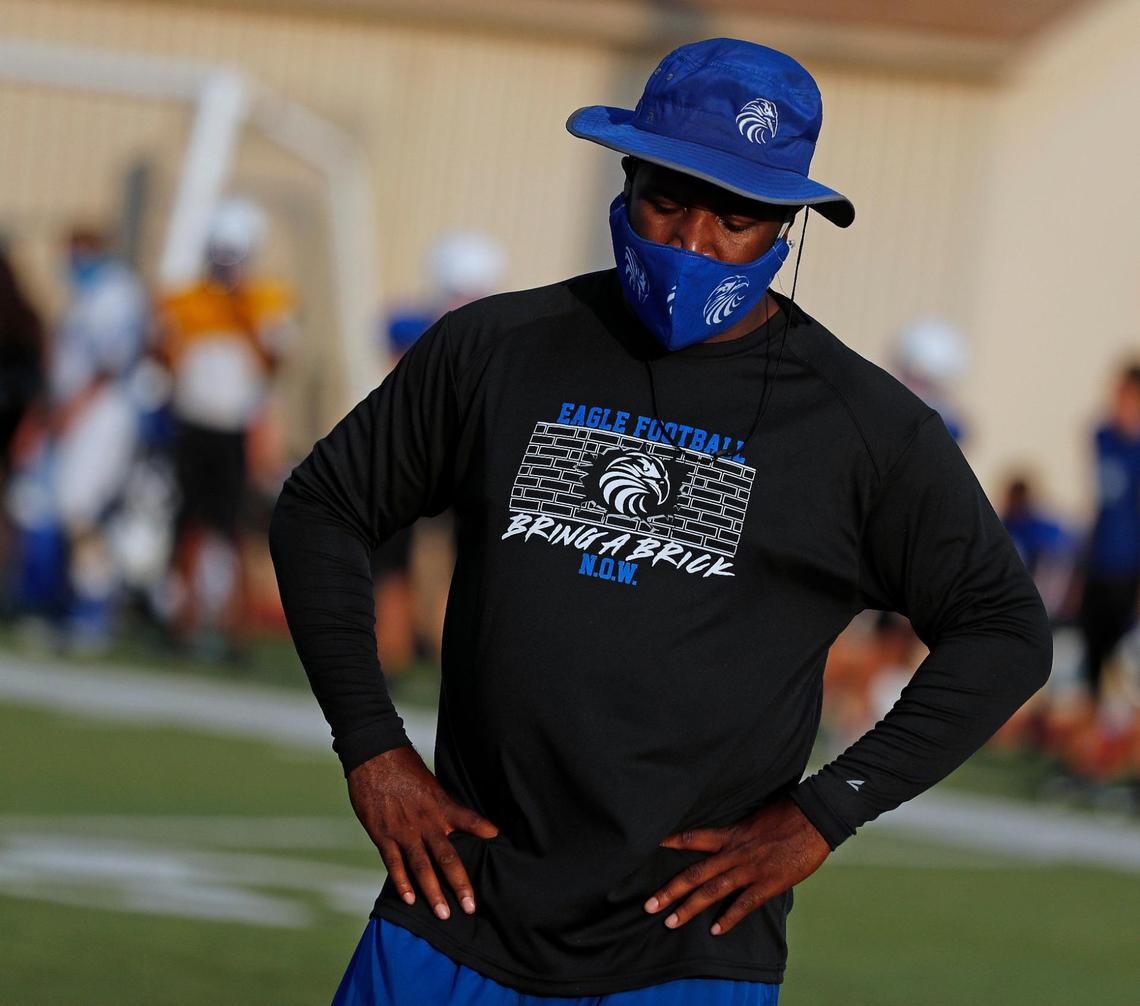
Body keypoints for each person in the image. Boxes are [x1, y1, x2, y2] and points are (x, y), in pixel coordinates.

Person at [270, 38, 1052, 1004]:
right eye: (668, 198)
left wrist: (825, 813)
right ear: (626, 178)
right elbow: (322, 508)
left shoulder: (866, 428)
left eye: (737, 216)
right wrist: (371, 748)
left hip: (688, 951)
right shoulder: (500, 348)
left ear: (787, 226)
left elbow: (1006, 632)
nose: (693, 241)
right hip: (453, 911)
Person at [157, 196, 295, 658]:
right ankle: (184, 622)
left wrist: (244, 315)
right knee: (190, 523)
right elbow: (164, 354)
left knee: (235, 528)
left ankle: (239, 631)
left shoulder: (266, 301)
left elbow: (275, 362)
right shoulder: (186, 298)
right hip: (195, 422)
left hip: (235, 427)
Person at [1075, 362, 1140, 702]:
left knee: (1122, 657)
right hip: (1098, 560)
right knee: (1092, 651)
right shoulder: (1103, 437)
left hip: (1128, 566)